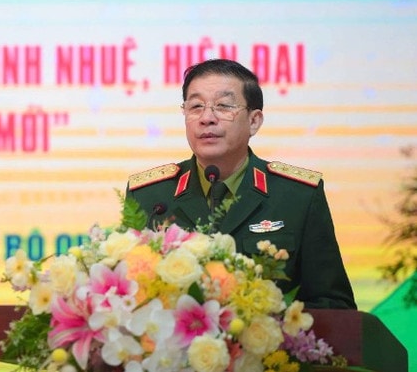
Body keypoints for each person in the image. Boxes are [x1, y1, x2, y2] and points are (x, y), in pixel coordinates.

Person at [126, 58, 356, 309]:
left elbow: (334, 305)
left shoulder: (298, 196)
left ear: (254, 121)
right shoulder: (149, 197)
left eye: (224, 106)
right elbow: (129, 298)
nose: (207, 118)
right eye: (196, 106)